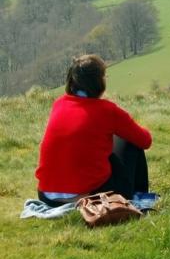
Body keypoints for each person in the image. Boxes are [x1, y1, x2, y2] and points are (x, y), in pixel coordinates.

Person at [35, 55, 153, 207]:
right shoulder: (107, 111)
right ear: (99, 81)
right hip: (90, 197)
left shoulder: (59, 104)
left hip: (47, 196)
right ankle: (136, 197)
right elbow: (145, 140)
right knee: (131, 143)